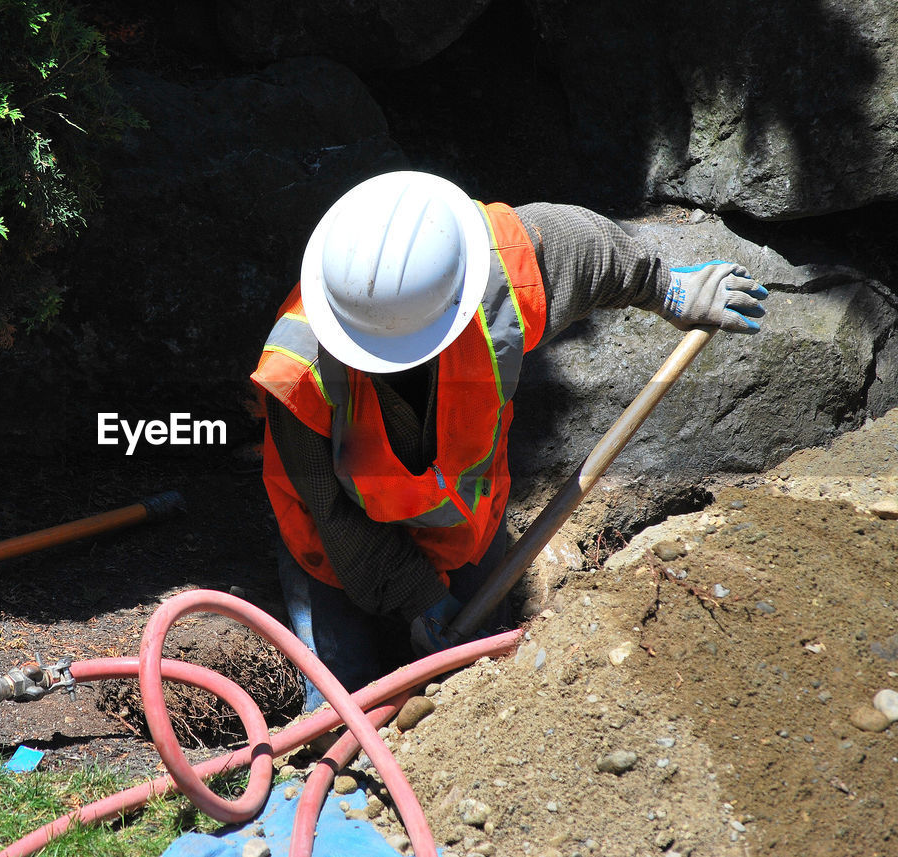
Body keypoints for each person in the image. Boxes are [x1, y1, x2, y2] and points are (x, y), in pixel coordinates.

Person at [250, 171, 767, 710]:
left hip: (468, 531)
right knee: (344, 710)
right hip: (335, 552)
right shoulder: (297, 373)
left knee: (473, 695)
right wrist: (420, 597)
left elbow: (587, 249)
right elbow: (336, 521)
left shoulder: (497, 270)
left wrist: (667, 287)